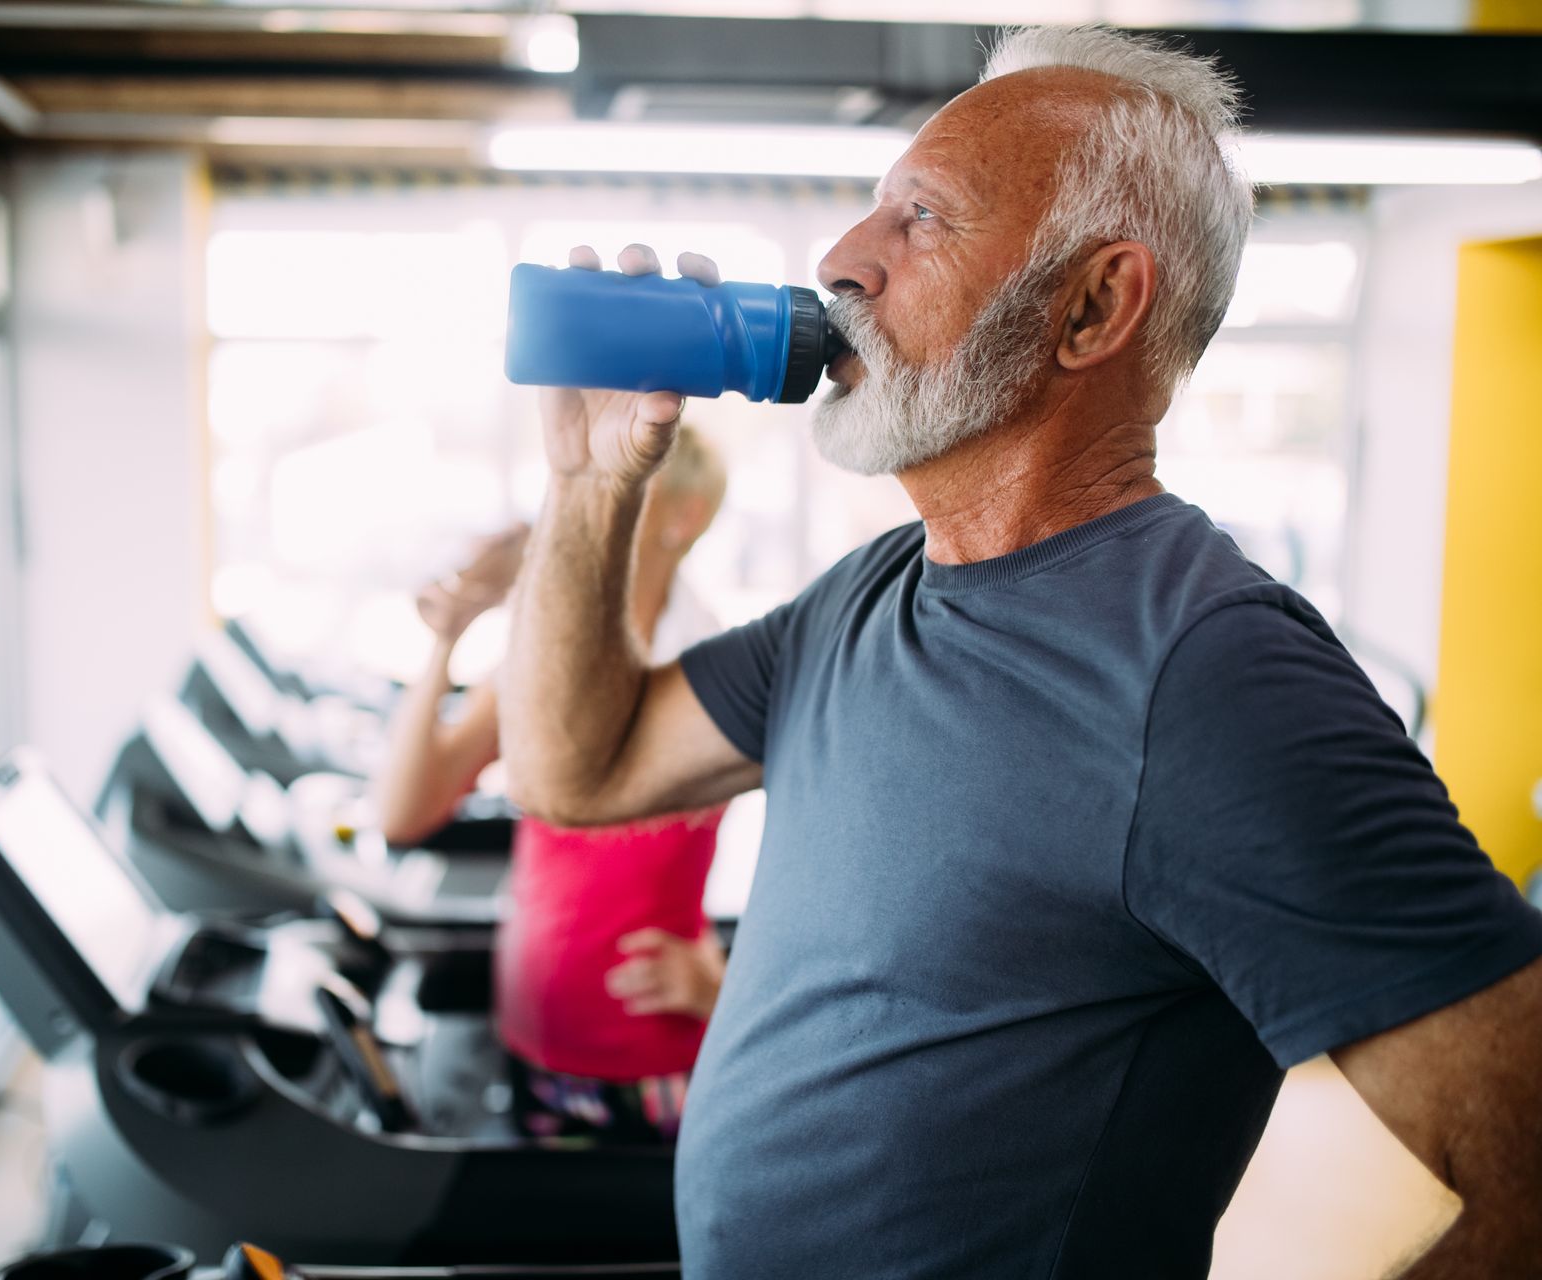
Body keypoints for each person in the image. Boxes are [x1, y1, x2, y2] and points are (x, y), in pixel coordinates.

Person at [499, 24, 1542, 1280]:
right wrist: (589, 486)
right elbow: (578, 767)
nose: (842, 261)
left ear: (1094, 304)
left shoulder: (1211, 678)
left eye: (923, 220)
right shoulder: (869, 595)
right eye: (874, 210)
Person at [375, 426, 732, 1141]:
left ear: (681, 517)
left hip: (649, 1063)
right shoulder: (545, 662)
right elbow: (403, 813)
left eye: (627, 485)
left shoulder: (715, 669)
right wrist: (449, 636)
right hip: (533, 1036)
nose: (595, 505)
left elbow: (822, 855)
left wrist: (724, 986)